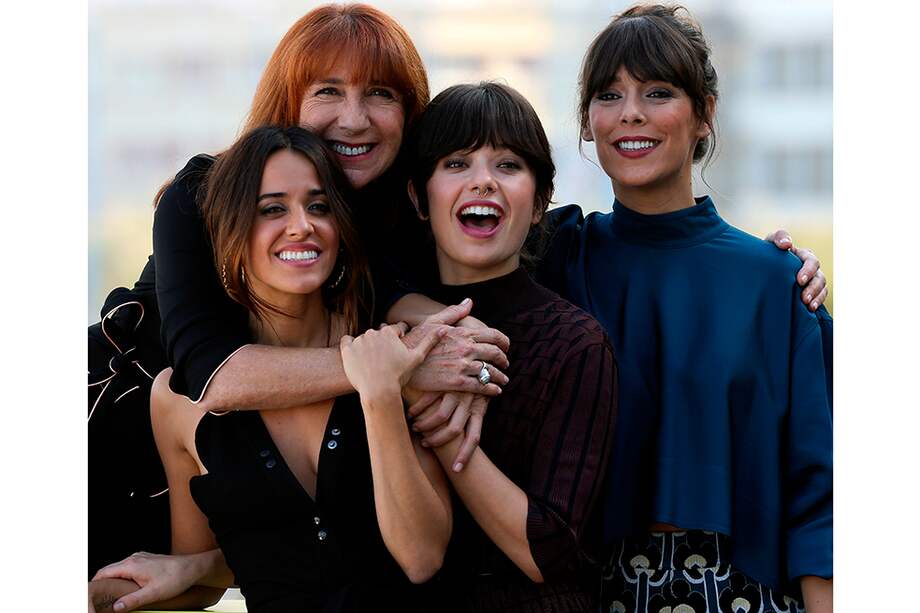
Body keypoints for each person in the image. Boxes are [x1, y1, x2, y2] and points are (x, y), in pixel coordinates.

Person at [90, 3, 830, 610]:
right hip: (116, 449)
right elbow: (215, 377)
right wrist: (388, 368)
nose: (354, 118)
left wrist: (774, 267)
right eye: (328, 92)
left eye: (380, 93)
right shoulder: (205, 195)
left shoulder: (422, 229)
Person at [533, 5, 832, 612]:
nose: (631, 113)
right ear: (588, 122)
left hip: (746, 594)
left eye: (658, 91)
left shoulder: (777, 283)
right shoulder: (556, 260)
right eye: (609, 94)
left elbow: (823, 492)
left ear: (704, 115)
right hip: (587, 593)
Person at [91, 125, 453, 613]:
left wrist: (381, 391)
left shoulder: (394, 353)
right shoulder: (175, 401)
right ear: (230, 230)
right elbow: (205, 579)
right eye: (272, 208)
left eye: (319, 206)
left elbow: (421, 557)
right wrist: (116, 594)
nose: (301, 225)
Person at [403, 82, 617, 611]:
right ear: (418, 197)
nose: (482, 182)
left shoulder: (576, 343)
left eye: (507, 165)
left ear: (541, 201)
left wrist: (434, 418)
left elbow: (546, 549)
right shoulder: (379, 330)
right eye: (456, 163)